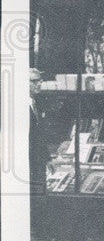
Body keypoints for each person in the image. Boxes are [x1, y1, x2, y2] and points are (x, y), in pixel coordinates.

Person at [29, 67, 51, 195]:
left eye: (40, 81)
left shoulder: (36, 103)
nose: (39, 84)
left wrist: (47, 158)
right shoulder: (17, 105)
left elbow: (39, 135)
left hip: (38, 163)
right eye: (34, 81)